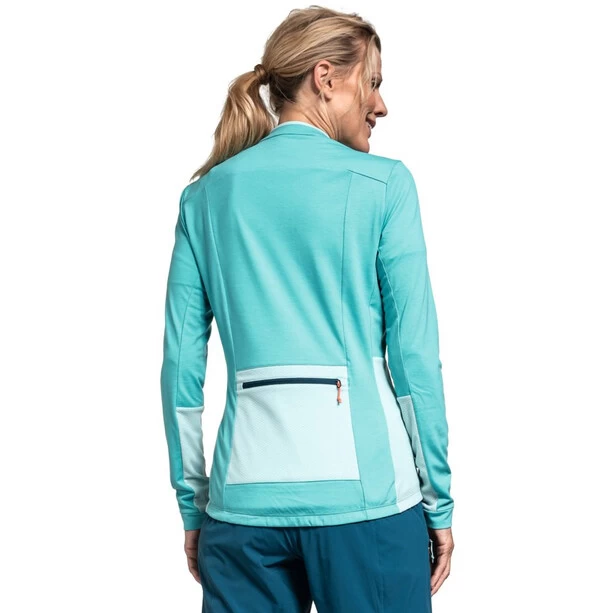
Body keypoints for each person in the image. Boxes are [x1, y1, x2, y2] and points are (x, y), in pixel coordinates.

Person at [160, 6, 454, 612]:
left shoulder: (204, 198)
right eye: (372, 82)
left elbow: (180, 371)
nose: (380, 105)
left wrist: (195, 504)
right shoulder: (384, 185)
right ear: (326, 77)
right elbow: (415, 361)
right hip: (370, 505)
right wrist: (438, 502)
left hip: (241, 509)